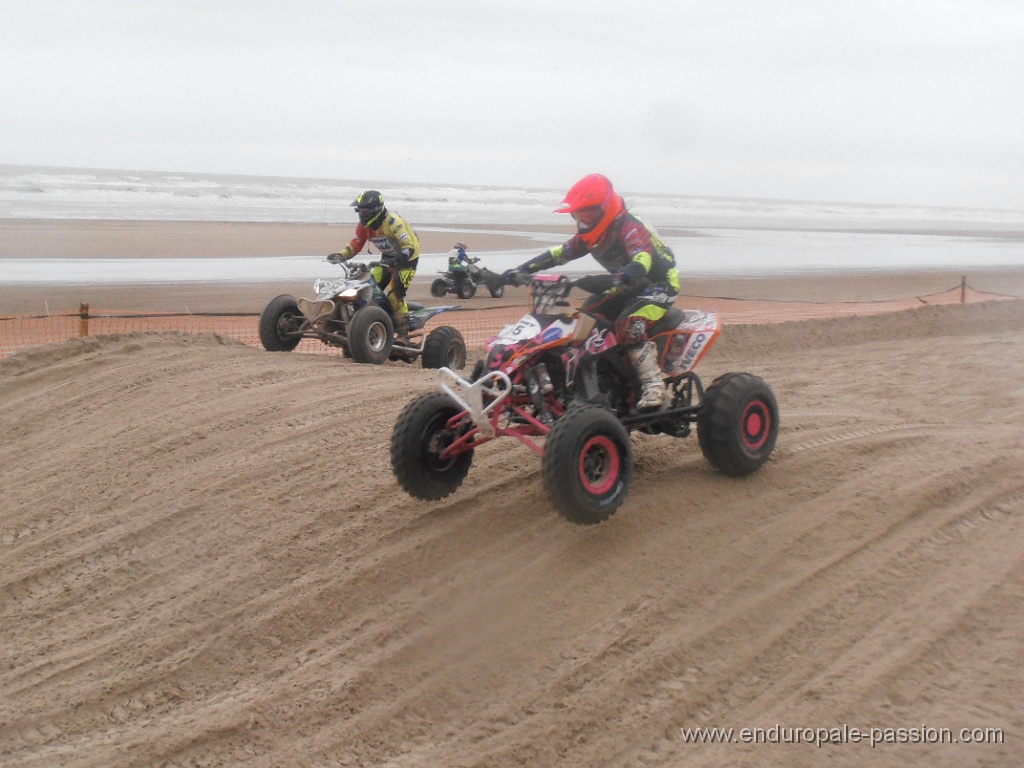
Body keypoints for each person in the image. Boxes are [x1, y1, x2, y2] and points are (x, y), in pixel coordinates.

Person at [503, 173, 680, 409]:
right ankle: (600, 378)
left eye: (588, 213)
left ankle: (653, 386)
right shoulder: (590, 236)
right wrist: (521, 269)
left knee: (628, 323)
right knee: (585, 318)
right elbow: (559, 254)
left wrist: (620, 277)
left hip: (658, 285)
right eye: (579, 214)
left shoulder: (629, 226)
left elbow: (642, 260)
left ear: (605, 208)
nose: (583, 220)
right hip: (626, 285)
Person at [328, 190, 420, 339]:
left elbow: (408, 245)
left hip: (407, 259)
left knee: (394, 294)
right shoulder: (364, 226)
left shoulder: (393, 222)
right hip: (388, 257)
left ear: (375, 210)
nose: (361, 215)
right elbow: (356, 244)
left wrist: (400, 259)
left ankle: (403, 333)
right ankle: (371, 320)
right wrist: (340, 255)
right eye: (359, 211)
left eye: (364, 211)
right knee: (367, 286)